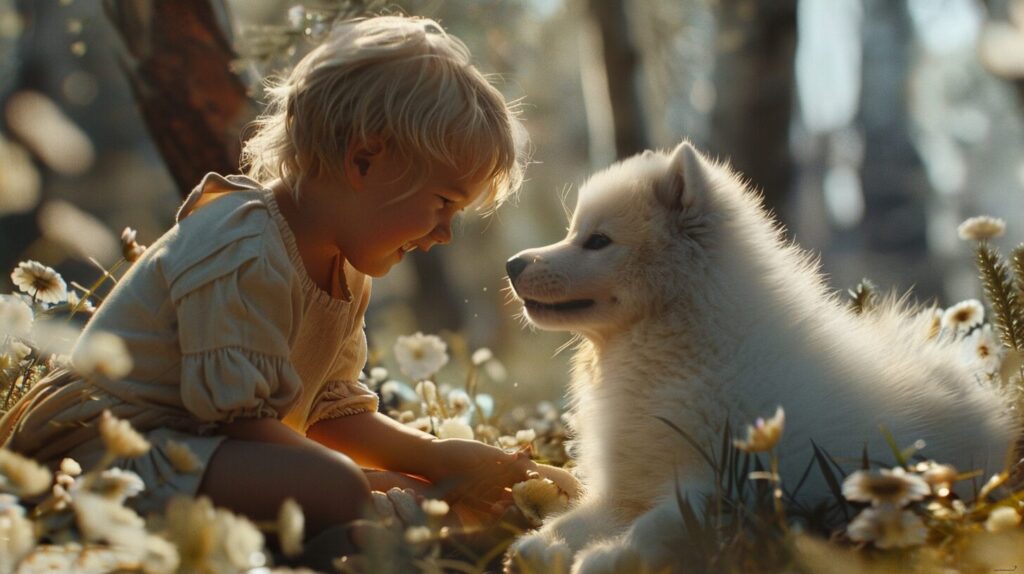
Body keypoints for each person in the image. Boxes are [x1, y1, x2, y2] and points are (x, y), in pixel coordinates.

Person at [0, 14, 576, 566]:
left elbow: (330, 411)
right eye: (444, 203)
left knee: (353, 483)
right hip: (107, 456)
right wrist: (393, 484)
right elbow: (238, 422)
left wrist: (438, 460)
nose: (446, 234)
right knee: (333, 484)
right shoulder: (242, 244)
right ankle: (371, 539)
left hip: (202, 455)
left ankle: (370, 533)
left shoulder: (344, 268)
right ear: (365, 159)